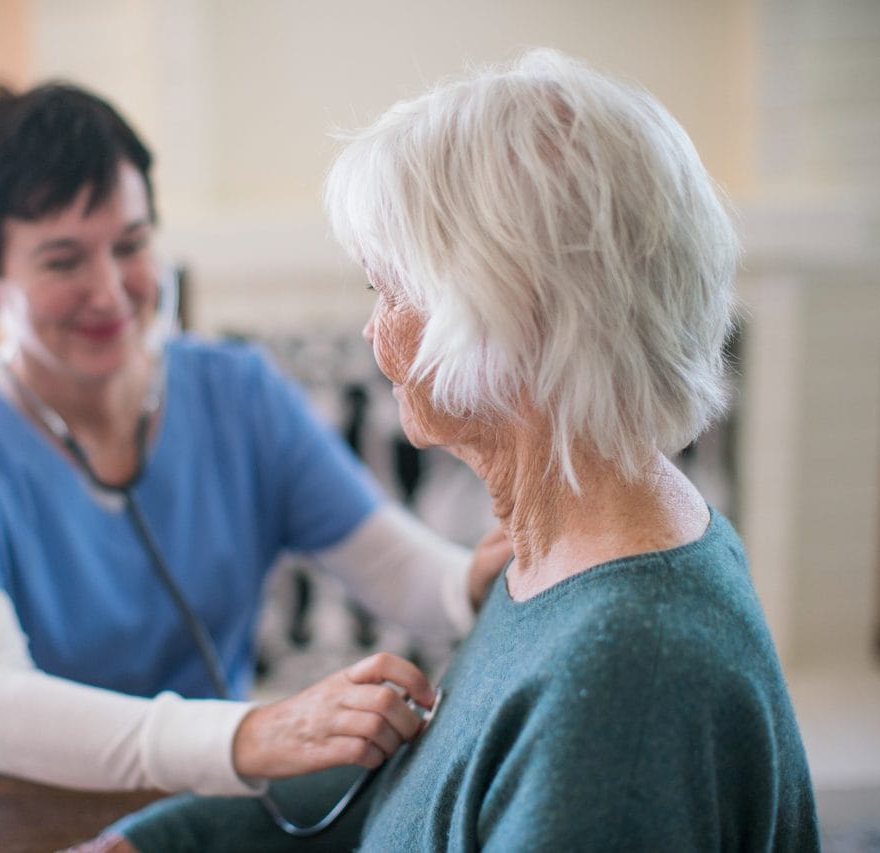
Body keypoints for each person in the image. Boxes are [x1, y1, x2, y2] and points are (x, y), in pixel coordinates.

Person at [84, 49, 820, 850]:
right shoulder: (570, 548)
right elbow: (423, 788)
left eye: (388, 289)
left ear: (508, 312)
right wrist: (159, 841)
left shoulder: (622, 680)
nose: (372, 330)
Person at [0, 82, 511, 796]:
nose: (110, 291)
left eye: (130, 245)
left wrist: (471, 582)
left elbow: (393, 567)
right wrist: (254, 734)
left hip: (183, 801)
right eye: (62, 261)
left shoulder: (240, 394)